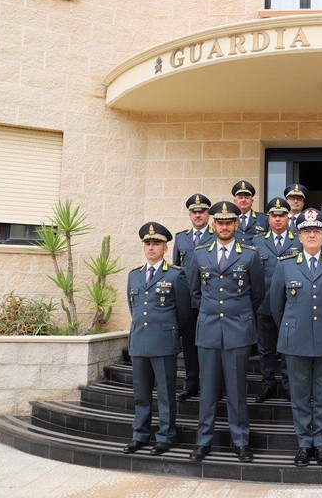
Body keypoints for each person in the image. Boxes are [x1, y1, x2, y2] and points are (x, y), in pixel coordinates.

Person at [271, 208, 322, 467]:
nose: (312, 234)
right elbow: (276, 307)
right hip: (296, 341)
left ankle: (321, 444)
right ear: (299, 236)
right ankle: (304, 444)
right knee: (300, 395)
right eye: (307, 231)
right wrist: (291, 327)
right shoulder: (285, 266)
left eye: (316, 230)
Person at [187, 201, 265, 463]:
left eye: (228, 222)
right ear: (213, 224)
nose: (223, 226)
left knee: (236, 390)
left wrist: (236, 312)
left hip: (237, 330)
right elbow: (194, 292)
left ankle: (240, 440)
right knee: (207, 390)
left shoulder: (250, 255)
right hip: (208, 329)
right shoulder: (200, 254)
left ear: (236, 224)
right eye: (219, 223)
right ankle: (203, 441)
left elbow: (257, 294)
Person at [123, 222, 191, 457]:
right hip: (139, 342)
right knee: (141, 394)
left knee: (165, 394)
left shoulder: (175, 275)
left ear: (165, 247)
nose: (152, 248)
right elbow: (134, 308)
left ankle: (165, 436)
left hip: (163, 343)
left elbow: (183, 313)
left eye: (157, 244)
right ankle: (139, 435)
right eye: (148, 243)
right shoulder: (134, 275)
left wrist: (171, 334)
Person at [252, 197, 301, 402]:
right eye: (274, 215)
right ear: (268, 218)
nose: (278, 219)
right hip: (265, 305)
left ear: (288, 218)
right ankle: (268, 383)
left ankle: (289, 384)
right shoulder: (257, 242)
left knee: (289, 347)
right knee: (266, 348)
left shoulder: (298, 240)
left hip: (291, 306)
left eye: (282, 215)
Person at [171, 193, 215, 401]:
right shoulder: (181, 238)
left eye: (202, 211)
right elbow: (177, 271)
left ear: (208, 214)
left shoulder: (216, 237)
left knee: (210, 345)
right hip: (187, 301)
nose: (198, 215)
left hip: (209, 299)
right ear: (189, 214)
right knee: (189, 344)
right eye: (194, 212)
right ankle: (191, 384)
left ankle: (212, 385)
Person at [232, 180, 269, 245]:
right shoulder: (230, 219)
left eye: (247, 197)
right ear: (235, 201)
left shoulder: (264, 219)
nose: (243, 200)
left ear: (252, 201)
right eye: (240, 197)